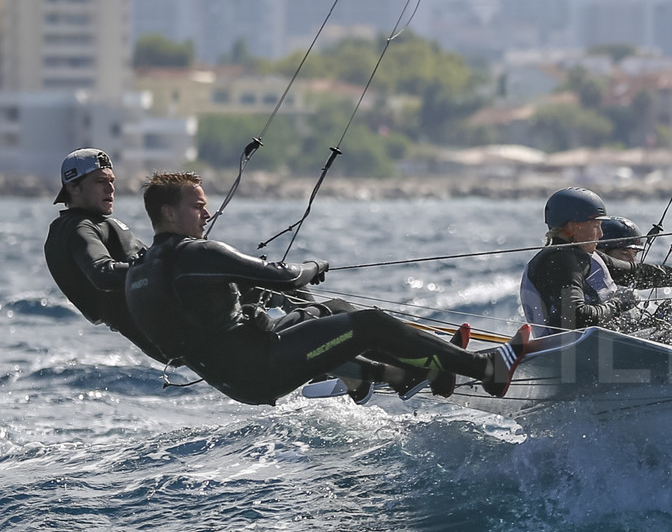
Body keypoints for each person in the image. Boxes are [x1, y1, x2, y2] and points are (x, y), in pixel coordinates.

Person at [125, 171, 530, 406]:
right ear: (168, 212)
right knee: (368, 323)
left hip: (230, 378)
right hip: (260, 366)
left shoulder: (138, 273)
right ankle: (487, 369)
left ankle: (415, 371)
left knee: (331, 310)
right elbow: (283, 276)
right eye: (197, 206)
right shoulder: (195, 254)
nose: (207, 213)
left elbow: (178, 331)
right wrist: (313, 267)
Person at [520, 188, 672, 367]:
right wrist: (619, 304)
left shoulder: (581, 256)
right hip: (581, 356)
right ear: (573, 226)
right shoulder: (561, 261)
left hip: (601, 348)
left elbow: (639, 273)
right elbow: (575, 318)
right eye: (596, 225)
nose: (600, 234)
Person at [43, 148, 170, 362]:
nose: (110, 188)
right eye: (101, 181)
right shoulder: (78, 228)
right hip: (168, 329)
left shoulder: (94, 224)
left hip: (167, 322)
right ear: (73, 187)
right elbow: (102, 273)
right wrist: (162, 268)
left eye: (112, 181)